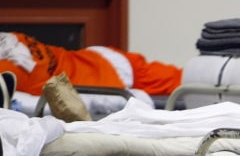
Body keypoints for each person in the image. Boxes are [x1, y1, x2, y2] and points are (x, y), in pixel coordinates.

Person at [0, 31, 183, 97]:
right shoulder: (10, 39)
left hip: (110, 72)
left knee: (187, 84)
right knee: (187, 81)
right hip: (98, 61)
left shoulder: (9, 70)